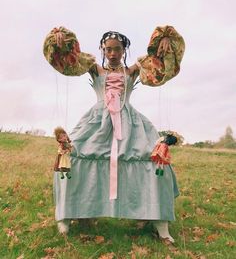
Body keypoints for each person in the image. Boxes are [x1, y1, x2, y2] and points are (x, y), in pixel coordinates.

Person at [43, 25, 185, 242]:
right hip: (96, 122)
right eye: (108, 49)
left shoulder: (133, 70)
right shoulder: (94, 68)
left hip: (130, 122)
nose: (112, 54)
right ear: (102, 50)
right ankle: (69, 214)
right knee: (72, 157)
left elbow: (160, 63)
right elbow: (68, 59)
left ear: (124, 50)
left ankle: (159, 222)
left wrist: (165, 42)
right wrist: (59, 41)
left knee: (154, 162)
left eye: (117, 49)